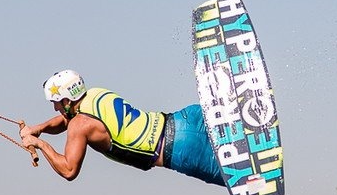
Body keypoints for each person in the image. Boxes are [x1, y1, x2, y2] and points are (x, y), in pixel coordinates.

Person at [19, 69, 223, 187]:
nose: (55, 107)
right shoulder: (95, 95)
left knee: (244, 177)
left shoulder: (79, 125)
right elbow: (66, 120)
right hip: (184, 118)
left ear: (68, 99)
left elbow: (69, 170)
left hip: (181, 150)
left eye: (57, 101)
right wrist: (38, 128)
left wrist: (39, 143)